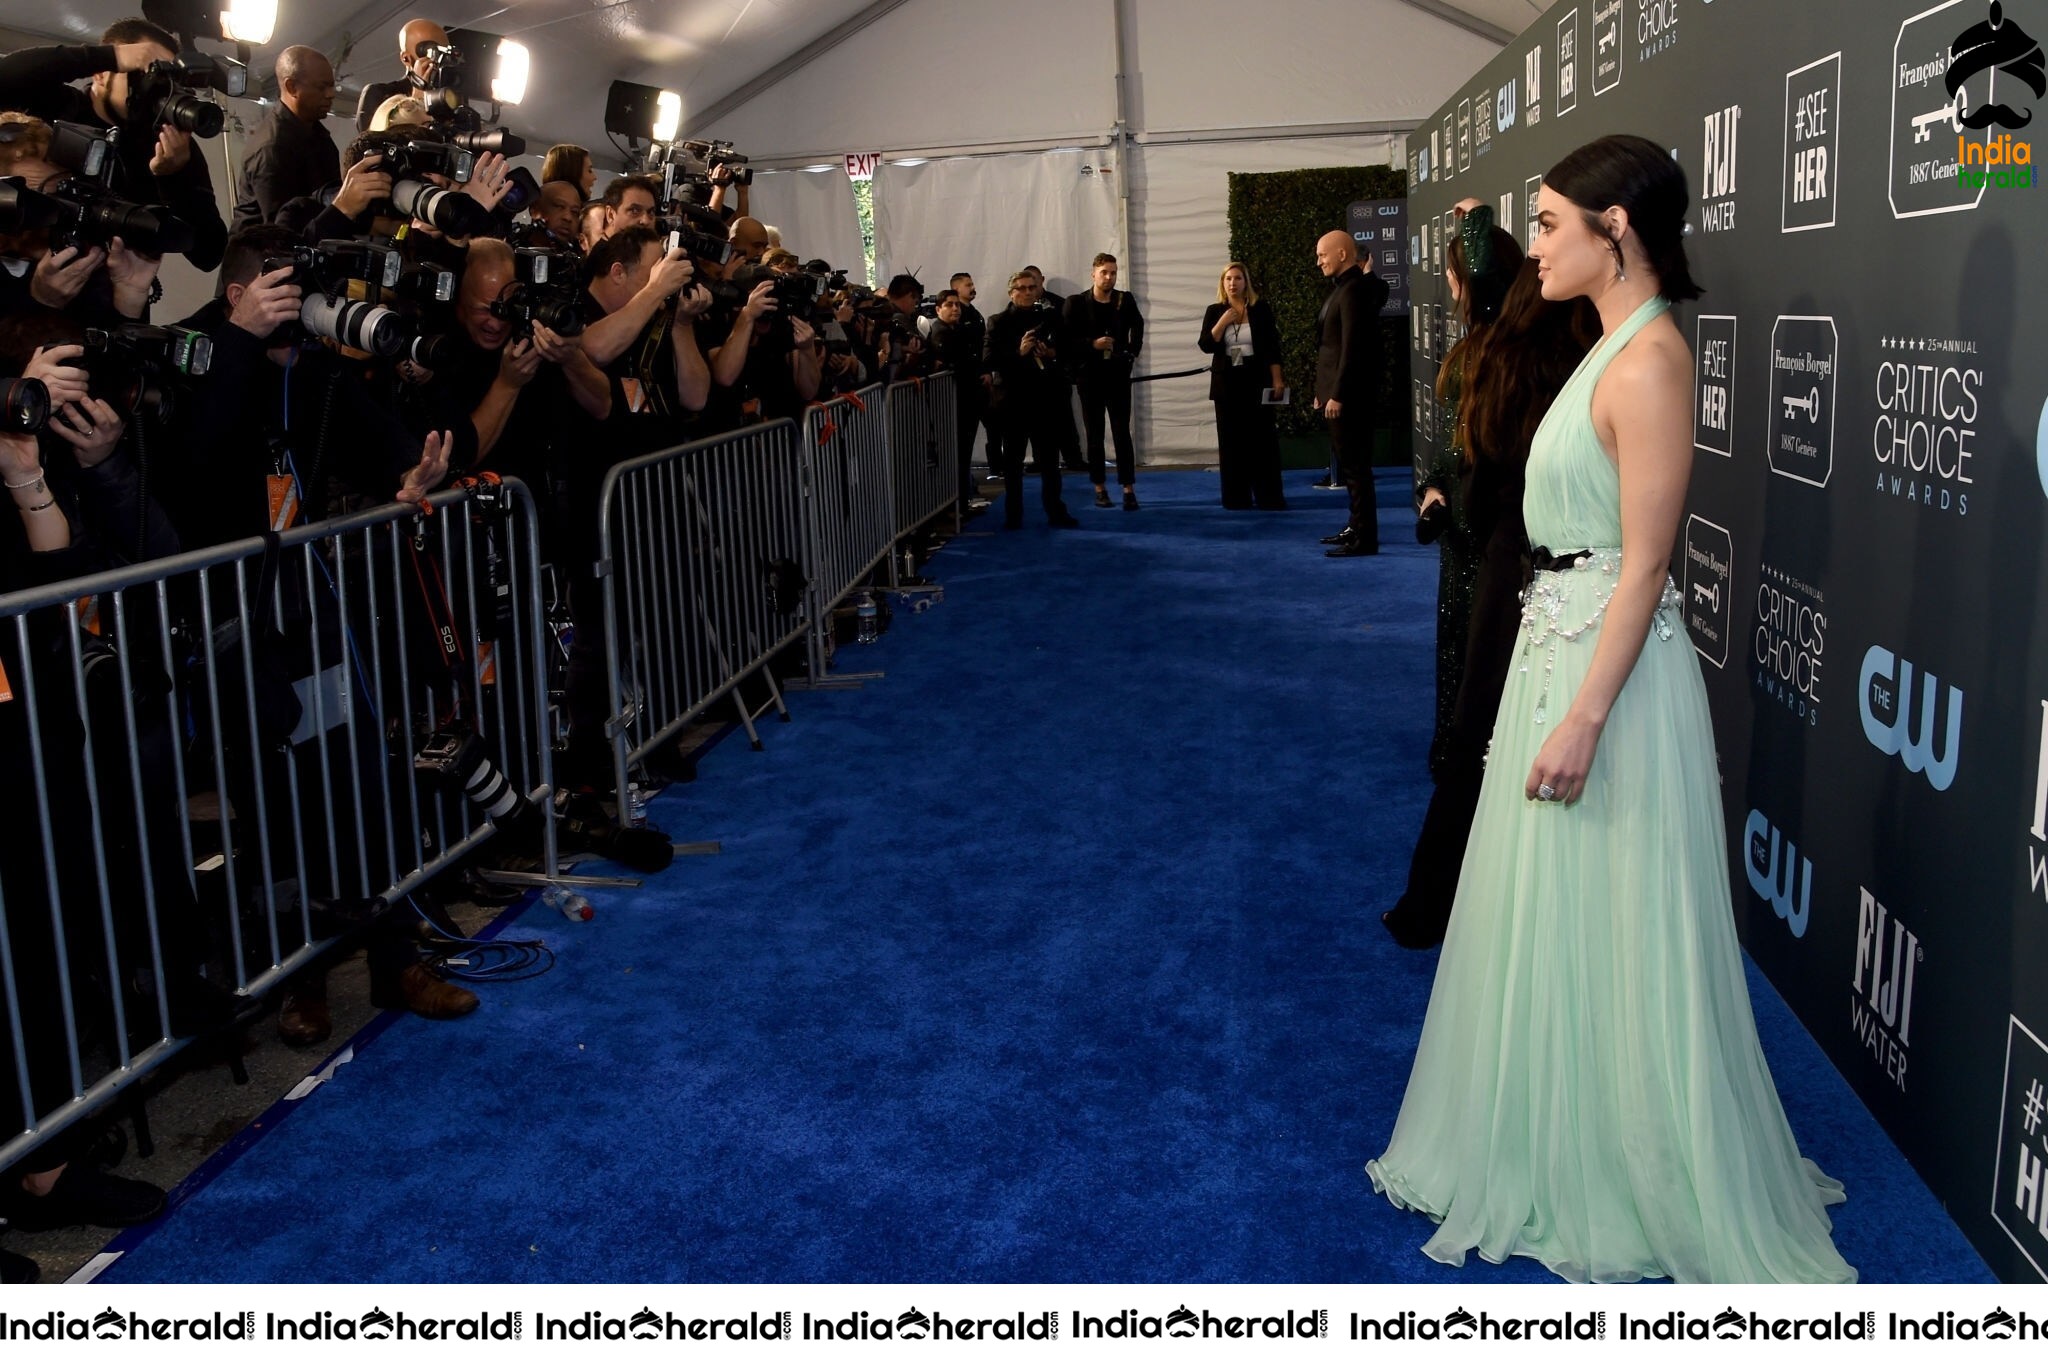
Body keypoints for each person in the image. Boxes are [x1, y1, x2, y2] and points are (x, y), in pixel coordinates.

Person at [1366, 134, 1854, 1284]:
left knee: (1613, 921)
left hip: (1608, 681)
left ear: (1615, 230)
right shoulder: (1603, 347)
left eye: (1546, 225)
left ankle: (1621, 1158)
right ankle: (1553, 1128)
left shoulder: (1646, 363)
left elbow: (1642, 564)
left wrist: (1585, 713)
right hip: (1558, 651)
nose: (1528, 246)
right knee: (1552, 916)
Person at [1380, 239, 1598, 951]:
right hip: (1555, 575)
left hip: (1505, 569)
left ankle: (1432, 906)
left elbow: (1488, 472)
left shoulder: (1498, 358)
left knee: (1477, 733)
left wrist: (1452, 502)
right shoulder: (1583, 354)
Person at [1415, 202, 1519, 776]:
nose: (1449, 284)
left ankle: (1472, 763)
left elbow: (1486, 458)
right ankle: (1464, 753)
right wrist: (1434, 486)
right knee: (1464, 646)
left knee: (1480, 651)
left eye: (1454, 274)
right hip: (1461, 525)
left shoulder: (1500, 354)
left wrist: (1475, 222)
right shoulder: (1482, 345)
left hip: (1486, 533)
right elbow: (1458, 446)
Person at [0, 18, 228, 270]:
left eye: (166, 82)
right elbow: (5, 76)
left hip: (113, 293)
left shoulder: (169, 146)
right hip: (24, 276)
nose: (155, 91)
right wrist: (109, 56)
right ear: (100, 74)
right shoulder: (59, 106)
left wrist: (173, 176)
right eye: (144, 76)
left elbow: (209, 254)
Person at [1312, 229, 1388, 557]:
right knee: (1352, 469)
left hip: (1350, 399)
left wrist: (1338, 394)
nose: (1319, 262)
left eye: (1322, 255)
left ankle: (1365, 538)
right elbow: (1332, 347)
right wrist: (1322, 391)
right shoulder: (1345, 289)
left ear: (1343, 254)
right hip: (1338, 394)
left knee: (1357, 471)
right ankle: (1356, 528)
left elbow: (1353, 349)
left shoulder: (1355, 290)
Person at [985, 270, 1078, 530]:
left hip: (1045, 400)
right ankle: (1013, 515)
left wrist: (1051, 352)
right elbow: (989, 359)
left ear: (1039, 290)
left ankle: (1056, 511)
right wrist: (1019, 352)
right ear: (1011, 292)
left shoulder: (1051, 318)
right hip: (1013, 403)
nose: (1027, 292)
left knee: (1050, 463)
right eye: (1021, 288)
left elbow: (1070, 349)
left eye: (1031, 287)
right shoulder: (998, 321)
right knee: (1013, 464)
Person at [1198, 262, 1286, 511]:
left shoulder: (1261, 310)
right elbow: (1205, 344)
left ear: (1245, 282)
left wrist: (1277, 379)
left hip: (1257, 380)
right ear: (1222, 283)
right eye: (1228, 279)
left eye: (1237, 278)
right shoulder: (1215, 311)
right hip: (1227, 384)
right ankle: (1236, 498)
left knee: (1263, 441)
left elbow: (1271, 348)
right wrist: (1223, 322)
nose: (1232, 283)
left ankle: (1269, 497)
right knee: (1231, 443)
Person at [1063, 252, 1144, 510]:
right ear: (1093, 274)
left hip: (1118, 375)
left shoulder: (1125, 299)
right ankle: (1099, 487)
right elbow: (1066, 340)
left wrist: (1131, 352)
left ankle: (1128, 488)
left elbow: (1138, 325)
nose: (1109, 277)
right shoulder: (1076, 303)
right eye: (1104, 273)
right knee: (1095, 434)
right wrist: (1092, 344)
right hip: (1090, 377)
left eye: (1113, 273)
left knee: (1122, 433)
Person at [231, 46, 341, 233]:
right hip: (268, 256)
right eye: (322, 87)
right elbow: (282, 231)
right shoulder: (271, 149)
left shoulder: (317, 135)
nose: (331, 94)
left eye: (331, 85)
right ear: (292, 87)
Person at [355, 18, 448, 130]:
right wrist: (417, 98)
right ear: (406, 58)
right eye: (431, 51)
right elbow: (372, 140)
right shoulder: (379, 93)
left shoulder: (448, 96)